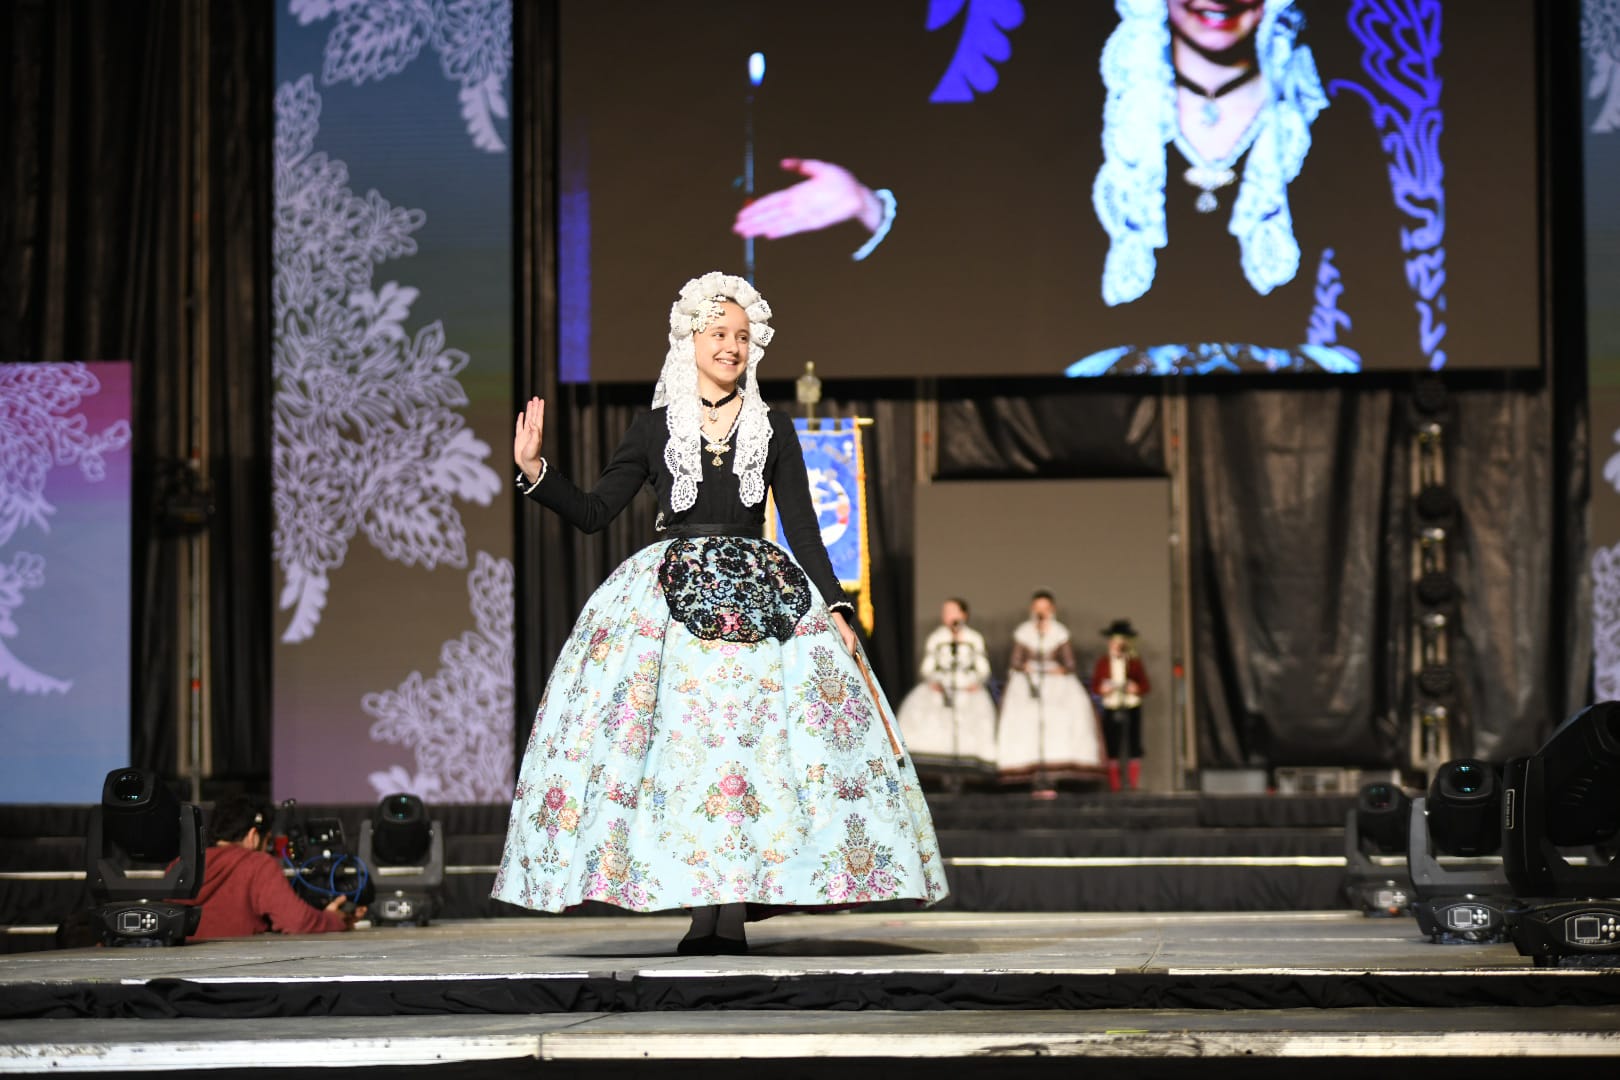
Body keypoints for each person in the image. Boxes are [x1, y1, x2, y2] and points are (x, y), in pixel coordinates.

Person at [493, 271, 947, 954]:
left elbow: (802, 527)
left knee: (748, 755)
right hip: (668, 606)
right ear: (691, 339)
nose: (730, 345)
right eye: (718, 333)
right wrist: (535, 471)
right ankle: (699, 910)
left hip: (760, 600)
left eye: (740, 336)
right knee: (686, 757)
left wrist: (838, 610)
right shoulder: (652, 428)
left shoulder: (772, 428)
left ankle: (729, 916)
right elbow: (592, 513)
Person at [172, 796, 364, 941]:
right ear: (253, 836)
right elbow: (298, 922)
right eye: (268, 842)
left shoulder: (179, 865)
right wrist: (334, 919)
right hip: (236, 975)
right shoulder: (256, 864)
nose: (268, 850)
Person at [995, 590, 1107, 796]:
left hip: (1055, 682)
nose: (1041, 612)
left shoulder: (1059, 632)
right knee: (1027, 720)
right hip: (1029, 681)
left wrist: (1059, 669)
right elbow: (1015, 661)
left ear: (1052, 610)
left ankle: (1053, 776)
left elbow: (1070, 663)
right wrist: (1025, 667)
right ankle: (1031, 775)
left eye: (1045, 609)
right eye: (1037, 608)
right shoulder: (1024, 632)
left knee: (1059, 720)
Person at [895, 598, 997, 787]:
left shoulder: (973, 638)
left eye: (952, 611)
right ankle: (940, 773)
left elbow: (983, 668)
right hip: (942, 686)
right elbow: (927, 667)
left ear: (963, 615)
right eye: (945, 612)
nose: (948, 616)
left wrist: (975, 681)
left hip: (966, 686)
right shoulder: (937, 638)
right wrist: (934, 680)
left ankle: (966, 773)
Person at [1092, 619, 1152, 792]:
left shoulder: (1133, 662)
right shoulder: (1103, 662)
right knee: (1112, 745)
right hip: (1112, 706)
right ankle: (1115, 785)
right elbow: (1096, 686)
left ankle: (1132, 784)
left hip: (1131, 705)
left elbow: (1145, 686)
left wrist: (1136, 688)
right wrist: (1103, 689)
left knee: (1133, 744)